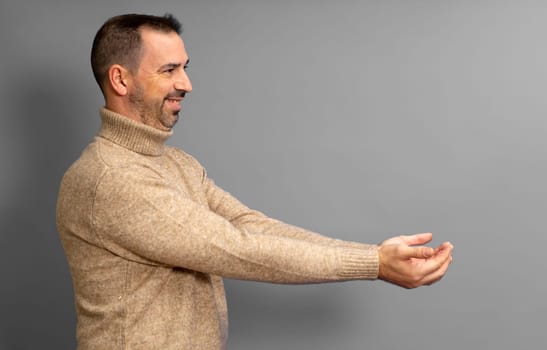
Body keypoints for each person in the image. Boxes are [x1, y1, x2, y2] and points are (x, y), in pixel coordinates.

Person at [56, 13, 453, 350]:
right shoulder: (110, 179)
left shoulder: (176, 163)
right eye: (168, 70)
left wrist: (375, 254)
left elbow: (249, 225)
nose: (186, 84)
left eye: (185, 67)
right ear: (121, 81)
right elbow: (235, 248)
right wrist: (374, 265)